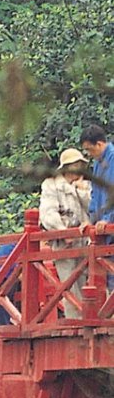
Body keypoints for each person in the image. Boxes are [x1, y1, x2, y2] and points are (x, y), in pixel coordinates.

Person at [39, 147, 91, 318]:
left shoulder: (84, 184)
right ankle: (74, 321)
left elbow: (92, 209)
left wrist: (83, 192)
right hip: (63, 242)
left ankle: (91, 318)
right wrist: (62, 231)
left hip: (85, 241)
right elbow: (48, 213)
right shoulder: (51, 184)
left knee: (89, 283)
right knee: (69, 283)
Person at [80, 124, 114, 291]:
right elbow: (95, 195)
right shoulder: (97, 164)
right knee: (107, 277)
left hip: (110, 224)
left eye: (89, 149)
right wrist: (91, 220)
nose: (89, 154)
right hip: (103, 227)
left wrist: (107, 218)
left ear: (99, 144)